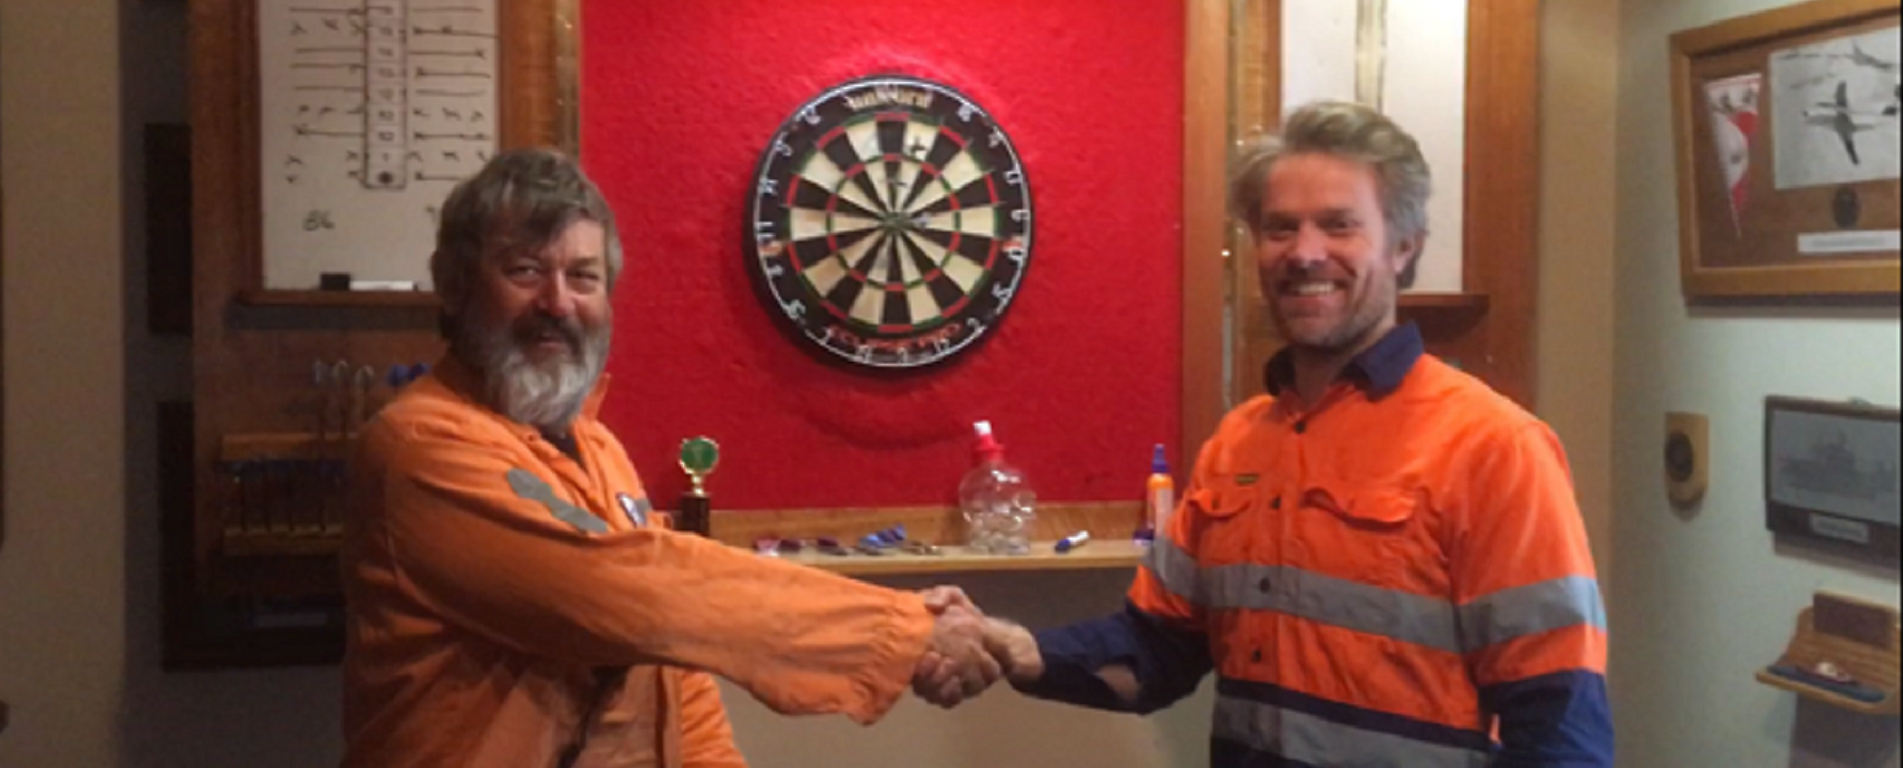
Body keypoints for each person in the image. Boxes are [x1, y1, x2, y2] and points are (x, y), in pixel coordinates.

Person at [951, 102, 1614, 766]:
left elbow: (1558, 726)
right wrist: (1016, 648)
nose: (1304, 252)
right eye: (1279, 228)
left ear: (1403, 245)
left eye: (1338, 225)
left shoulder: (1494, 447)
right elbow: (1157, 652)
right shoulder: (1237, 445)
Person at [339, 148, 998, 768]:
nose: (558, 303)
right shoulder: (421, 448)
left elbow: (672, 661)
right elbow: (623, 595)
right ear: (453, 288)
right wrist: (902, 632)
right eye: (525, 271)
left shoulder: (595, 446)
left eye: (583, 276)